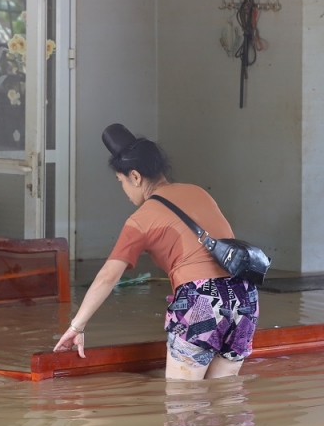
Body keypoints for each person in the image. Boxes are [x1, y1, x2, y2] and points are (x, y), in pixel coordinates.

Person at [53, 124, 259, 380]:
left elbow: (108, 276)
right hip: (244, 296)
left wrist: (77, 325)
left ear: (136, 177)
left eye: (121, 181)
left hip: (201, 300)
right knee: (225, 397)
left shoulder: (141, 220)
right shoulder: (198, 192)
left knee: (183, 405)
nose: (124, 190)